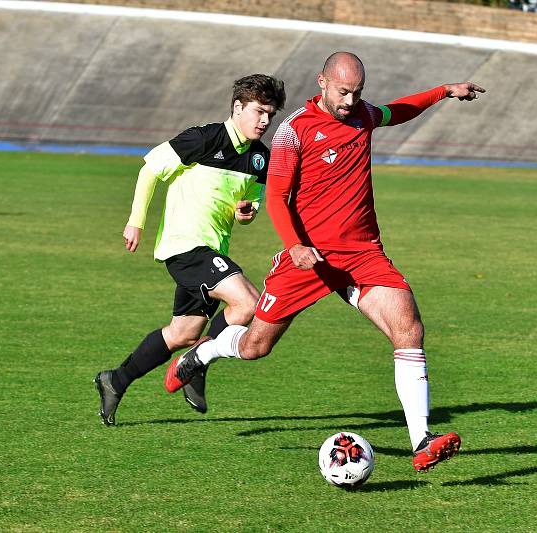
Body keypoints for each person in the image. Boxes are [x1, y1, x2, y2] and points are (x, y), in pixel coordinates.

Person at [164, 52, 484, 472]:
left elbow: (399, 110)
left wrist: (444, 90)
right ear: (322, 82)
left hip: (363, 254)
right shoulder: (293, 131)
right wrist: (294, 244)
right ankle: (203, 355)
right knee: (256, 346)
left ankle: (420, 439)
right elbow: (277, 196)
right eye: (343, 91)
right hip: (307, 259)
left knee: (409, 328)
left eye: (357, 93)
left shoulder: (363, 114)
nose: (351, 101)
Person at [93, 74, 286, 426]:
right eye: (259, 111)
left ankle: (115, 381)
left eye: (270, 115)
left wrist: (247, 212)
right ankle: (197, 363)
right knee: (248, 303)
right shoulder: (203, 138)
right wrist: (136, 220)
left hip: (213, 250)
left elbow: (251, 206)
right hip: (185, 246)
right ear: (238, 107)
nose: (264, 121)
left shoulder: (260, 158)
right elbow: (151, 169)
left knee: (183, 333)